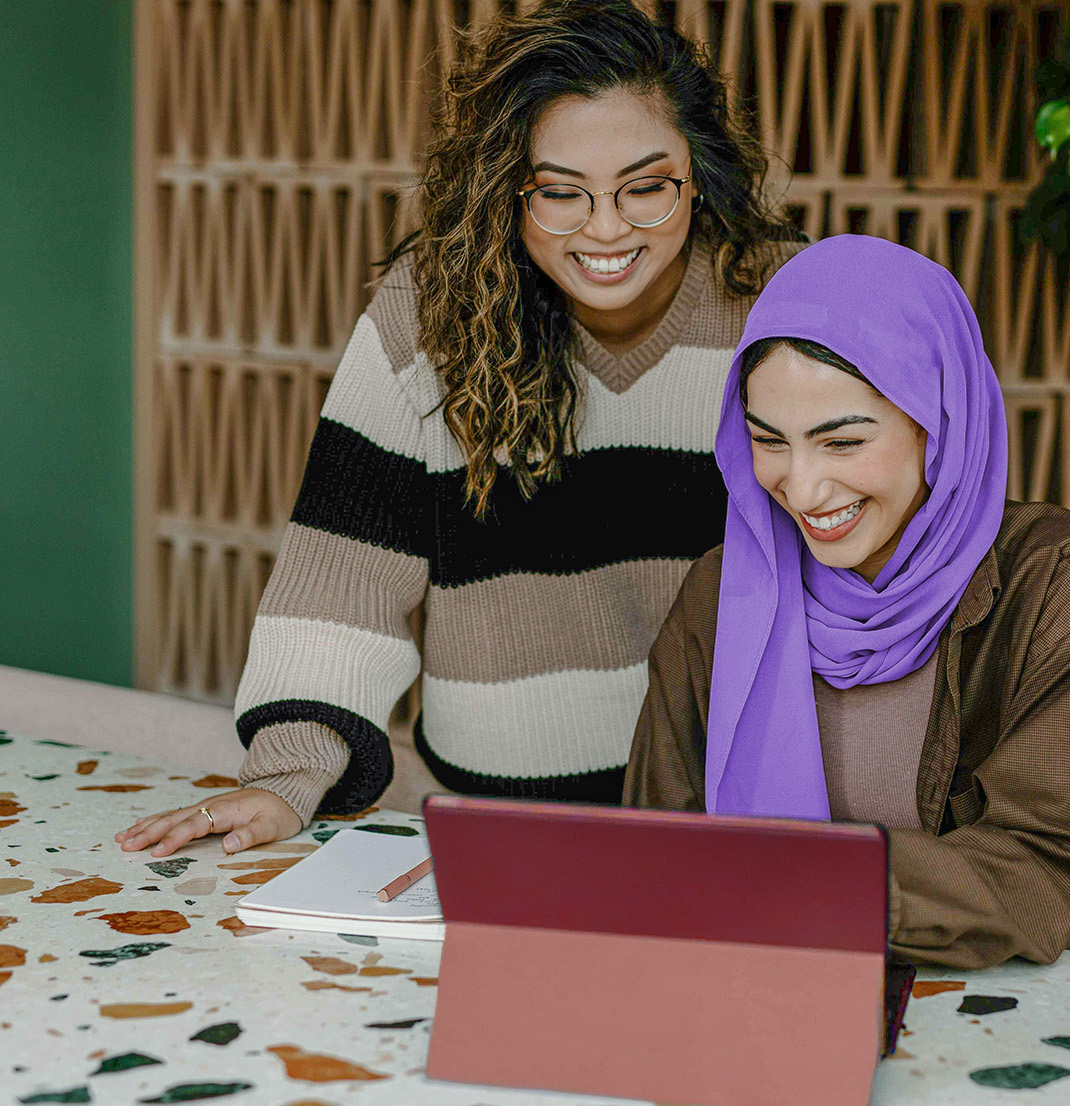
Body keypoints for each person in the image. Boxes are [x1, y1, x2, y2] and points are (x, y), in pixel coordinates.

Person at [118, 0, 800, 858]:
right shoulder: (428, 314)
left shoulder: (777, 303)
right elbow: (343, 576)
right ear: (502, 187)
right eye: (559, 193)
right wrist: (288, 779)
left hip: (731, 819)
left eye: (646, 187)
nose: (606, 228)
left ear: (697, 173)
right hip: (493, 827)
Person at [623, 235, 1070, 970]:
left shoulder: (1064, 590)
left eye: (843, 443)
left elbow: (1044, 870)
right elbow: (654, 844)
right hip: (785, 984)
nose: (803, 487)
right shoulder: (723, 596)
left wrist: (793, 879)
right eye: (770, 441)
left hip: (1053, 1006)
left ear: (936, 421)